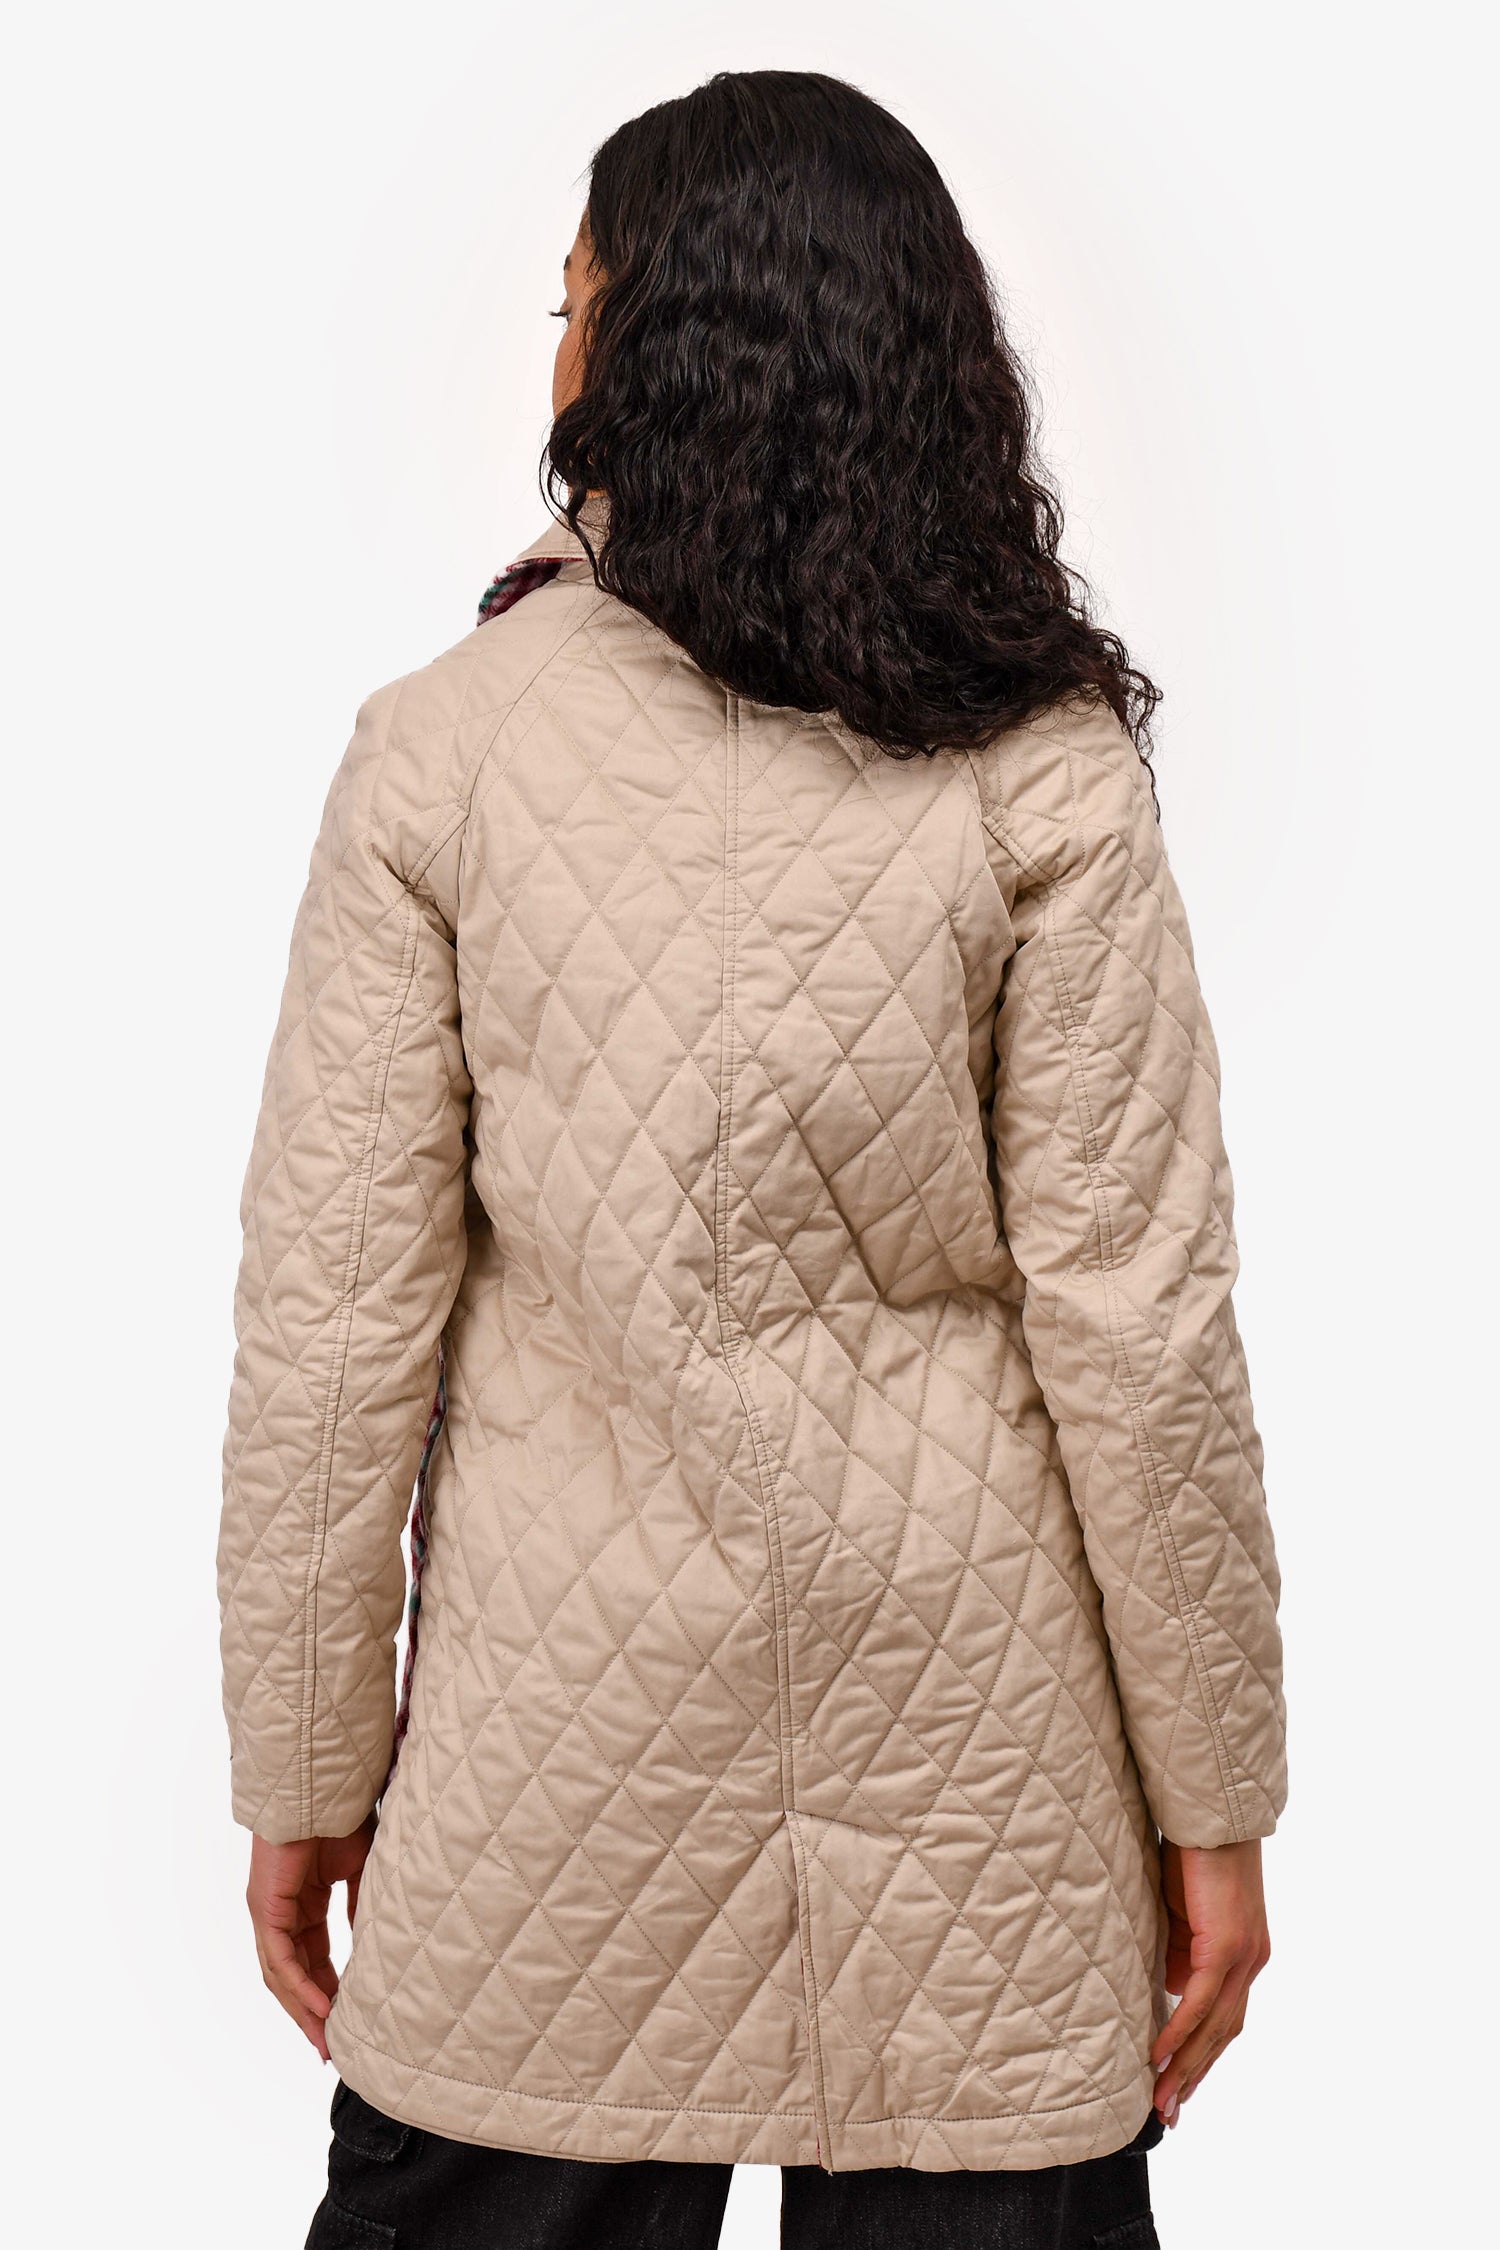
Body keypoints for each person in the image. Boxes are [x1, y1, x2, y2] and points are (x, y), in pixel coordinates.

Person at [218, 68, 1286, 2250]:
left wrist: (303, 1769)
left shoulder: (443, 753)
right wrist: (1216, 1801)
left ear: (648, 351)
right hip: (972, 1786)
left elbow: (333, 1331)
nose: (555, 352)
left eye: (575, 301)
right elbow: (1141, 1326)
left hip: (554, 1785)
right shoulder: (1042, 761)